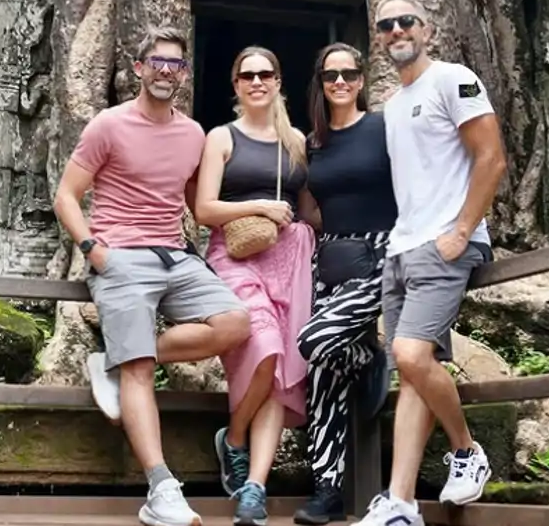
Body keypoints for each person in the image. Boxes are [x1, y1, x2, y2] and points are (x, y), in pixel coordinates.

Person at [53, 26, 251, 526]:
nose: (166, 70)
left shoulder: (192, 134)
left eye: (176, 64)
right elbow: (66, 196)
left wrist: (249, 221)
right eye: (157, 62)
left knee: (235, 323)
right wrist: (95, 250)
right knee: (139, 370)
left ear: (184, 75)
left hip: (176, 257)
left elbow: (195, 202)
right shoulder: (108, 125)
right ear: (139, 68)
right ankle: (162, 490)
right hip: (119, 257)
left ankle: (119, 357)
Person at [355, 0, 507, 526]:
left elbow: (492, 156)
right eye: (386, 25)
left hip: (445, 243)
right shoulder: (393, 104)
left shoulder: (454, 78)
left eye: (406, 21)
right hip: (403, 248)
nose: (396, 30)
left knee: (412, 355)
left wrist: (462, 229)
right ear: (378, 37)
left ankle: (466, 452)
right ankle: (399, 503)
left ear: (428, 29)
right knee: (413, 372)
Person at [195, 46, 317, 526]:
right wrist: (260, 208)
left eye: (265, 73)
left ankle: (255, 488)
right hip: (235, 255)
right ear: (236, 85)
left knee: (283, 370)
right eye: (247, 75)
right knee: (265, 347)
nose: (257, 81)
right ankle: (236, 437)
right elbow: (205, 209)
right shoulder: (221, 138)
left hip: (289, 257)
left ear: (279, 81)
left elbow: (309, 211)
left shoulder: (297, 141)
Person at [293, 43, 398, 525]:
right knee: (322, 373)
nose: (340, 81)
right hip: (329, 257)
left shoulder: (382, 128)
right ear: (320, 80)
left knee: (315, 340)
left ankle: (372, 358)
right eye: (330, 74)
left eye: (349, 73)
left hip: (379, 251)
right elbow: (312, 208)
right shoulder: (314, 142)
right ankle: (327, 488)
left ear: (361, 79)